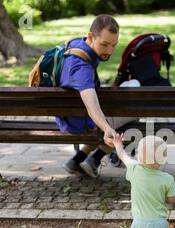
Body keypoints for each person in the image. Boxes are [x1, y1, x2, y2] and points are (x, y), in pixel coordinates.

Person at [57, 14, 137, 178]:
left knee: (122, 116)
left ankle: (77, 160)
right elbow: (91, 105)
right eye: (105, 44)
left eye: (114, 45)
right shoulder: (81, 68)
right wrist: (107, 128)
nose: (109, 51)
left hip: (70, 114)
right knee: (134, 116)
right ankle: (95, 159)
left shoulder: (79, 45)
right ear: (91, 37)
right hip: (77, 122)